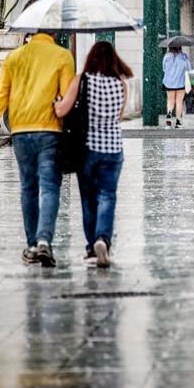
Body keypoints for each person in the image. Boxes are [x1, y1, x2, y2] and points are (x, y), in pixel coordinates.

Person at [0, 31, 75, 267]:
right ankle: (45, 239)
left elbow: (1, 94)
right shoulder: (63, 56)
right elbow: (66, 99)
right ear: (54, 32)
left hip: (21, 130)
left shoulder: (15, 57)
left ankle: (32, 244)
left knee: (28, 187)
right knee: (50, 187)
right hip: (50, 130)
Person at [53, 42, 132, 268]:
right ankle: (103, 240)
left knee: (88, 200)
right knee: (108, 196)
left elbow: (62, 110)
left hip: (87, 148)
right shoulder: (121, 83)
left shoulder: (82, 79)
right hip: (113, 148)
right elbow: (119, 116)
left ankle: (91, 249)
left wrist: (55, 101)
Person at [162, 47, 191, 128]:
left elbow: (164, 69)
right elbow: (189, 69)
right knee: (179, 102)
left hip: (169, 82)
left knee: (170, 101)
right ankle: (178, 122)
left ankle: (169, 116)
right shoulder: (184, 56)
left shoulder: (166, 56)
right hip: (180, 82)